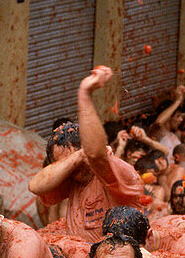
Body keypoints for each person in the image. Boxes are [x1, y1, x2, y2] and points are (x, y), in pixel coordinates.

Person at [28, 67, 144, 241]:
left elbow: (96, 155)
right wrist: (76, 158)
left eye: (77, 162)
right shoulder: (72, 176)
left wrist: (85, 93)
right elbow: (35, 186)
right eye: (66, 165)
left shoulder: (112, 173)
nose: (73, 170)